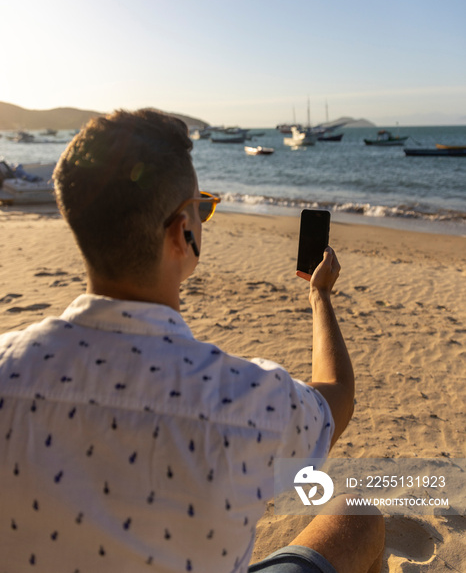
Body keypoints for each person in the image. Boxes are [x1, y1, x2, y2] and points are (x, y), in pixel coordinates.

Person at [0, 109, 384, 573]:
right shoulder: (246, 399)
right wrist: (319, 295)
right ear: (184, 232)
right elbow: (337, 398)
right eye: (203, 208)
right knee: (356, 513)